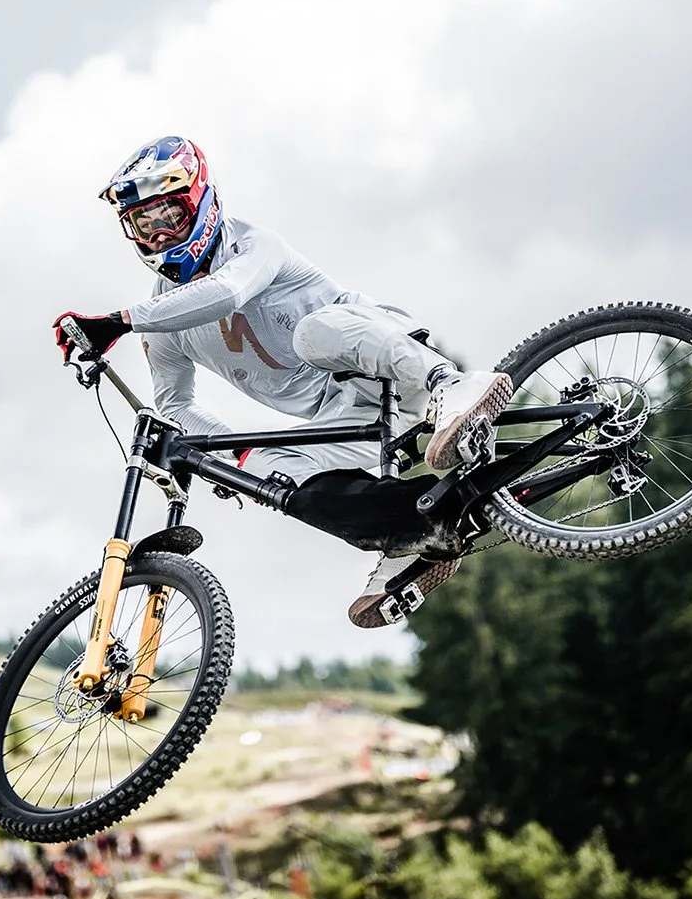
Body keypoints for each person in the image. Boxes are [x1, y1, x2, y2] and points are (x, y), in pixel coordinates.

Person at [56, 136, 511, 627]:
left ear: (200, 202)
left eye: (167, 214)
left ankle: (452, 384)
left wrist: (120, 322)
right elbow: (174, 405)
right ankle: (414, 532)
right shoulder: (164, 319)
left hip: (386, 366)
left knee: (311, 333)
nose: (160, 233)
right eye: (143, 224)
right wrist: (232, 456)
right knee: (270, 476)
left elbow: (227, 293)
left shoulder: (253, 245)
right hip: (346, 421)